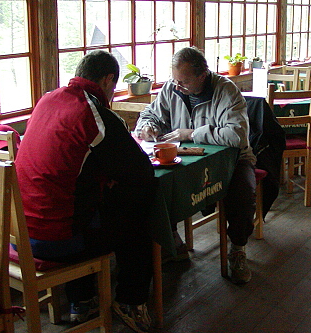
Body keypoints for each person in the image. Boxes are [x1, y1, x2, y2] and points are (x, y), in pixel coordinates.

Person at [15, 50, 155, 333]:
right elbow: (141, 172)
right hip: (57, 241)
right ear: (107, 80)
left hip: (19, 234)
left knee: (72, 202)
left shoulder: (47, 100)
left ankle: (83, 300)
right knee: (138, 210)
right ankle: (130, 300)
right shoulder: (95, 114)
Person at [136, 46, 257, 284]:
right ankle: (172, 242)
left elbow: (237, 136)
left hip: (234, 158)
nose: (177, 86)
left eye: (184, 81)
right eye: (174, 80)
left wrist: (190, 134)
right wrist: (147, 127)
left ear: (203, 75)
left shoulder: (226, 91)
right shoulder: (172, 88)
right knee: (161, 183)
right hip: (186, 158)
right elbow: (150, 114)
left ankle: (238, 249)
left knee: (243, 191)